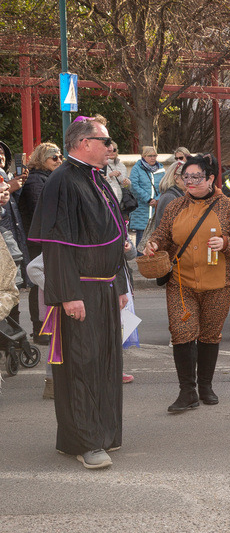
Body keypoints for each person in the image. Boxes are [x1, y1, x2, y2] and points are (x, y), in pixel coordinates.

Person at [28, 117, 130, 470]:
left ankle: (103, 432)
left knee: (105, 364)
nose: (110, 147)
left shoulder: (94, 176)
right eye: (106, 141)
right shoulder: (63, 180)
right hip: (80, 291)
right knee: (82, 366)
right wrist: (69, 295)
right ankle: (85, 442)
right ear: (84, 142)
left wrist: (117, 284)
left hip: (103, 286)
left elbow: (112, 237)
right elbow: (55, 246)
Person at [144, 155, 230, 413]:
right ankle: (187, 391)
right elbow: (162, 235)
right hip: (181, 282)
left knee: (209, 335)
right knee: (182, 334)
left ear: (211, 178)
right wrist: (154, 245)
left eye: (196, 177)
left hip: (219, 283)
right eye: (186, 177)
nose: (189, 182)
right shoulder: (174, 206)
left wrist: (227, 244)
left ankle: (205, 386)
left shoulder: (229, 207)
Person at [19, 142, 62, 343]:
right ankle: (40, 329)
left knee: (43, 285)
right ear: (42, 159)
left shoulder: (49, 178)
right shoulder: (36, 180)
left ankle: (46, 327)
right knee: (39, 285)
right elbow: (43, 211)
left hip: (46, 238)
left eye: (61, 157)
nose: (59, 160)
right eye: (54, 157)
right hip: (39, 240)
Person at [128, 145, 164, 252]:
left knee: (155, 240)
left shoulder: (161, 169)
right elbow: (134, 186)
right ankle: (141, 264)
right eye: (150, 156)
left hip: (155, 209)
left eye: (155, 155)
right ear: (144, 156)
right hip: (142, 210)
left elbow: (164, 185)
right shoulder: (136, 168)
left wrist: (157, 199)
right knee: (141, 240)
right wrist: (148, 199)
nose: (153, 158)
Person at [153, 160, 185, 230]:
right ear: (176, 178)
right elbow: (167, 228)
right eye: (186, 176)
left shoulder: (179, 195)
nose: (190, 180)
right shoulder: (170, 197)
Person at [103, 141, 131, 206]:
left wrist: (127, 183)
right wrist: (110, 175)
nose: (112, 152)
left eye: (114, 150)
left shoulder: (122, 165)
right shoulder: (101, 164)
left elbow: (126, 187)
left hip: (120, 202)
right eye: (109, 150)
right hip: (107, 201)